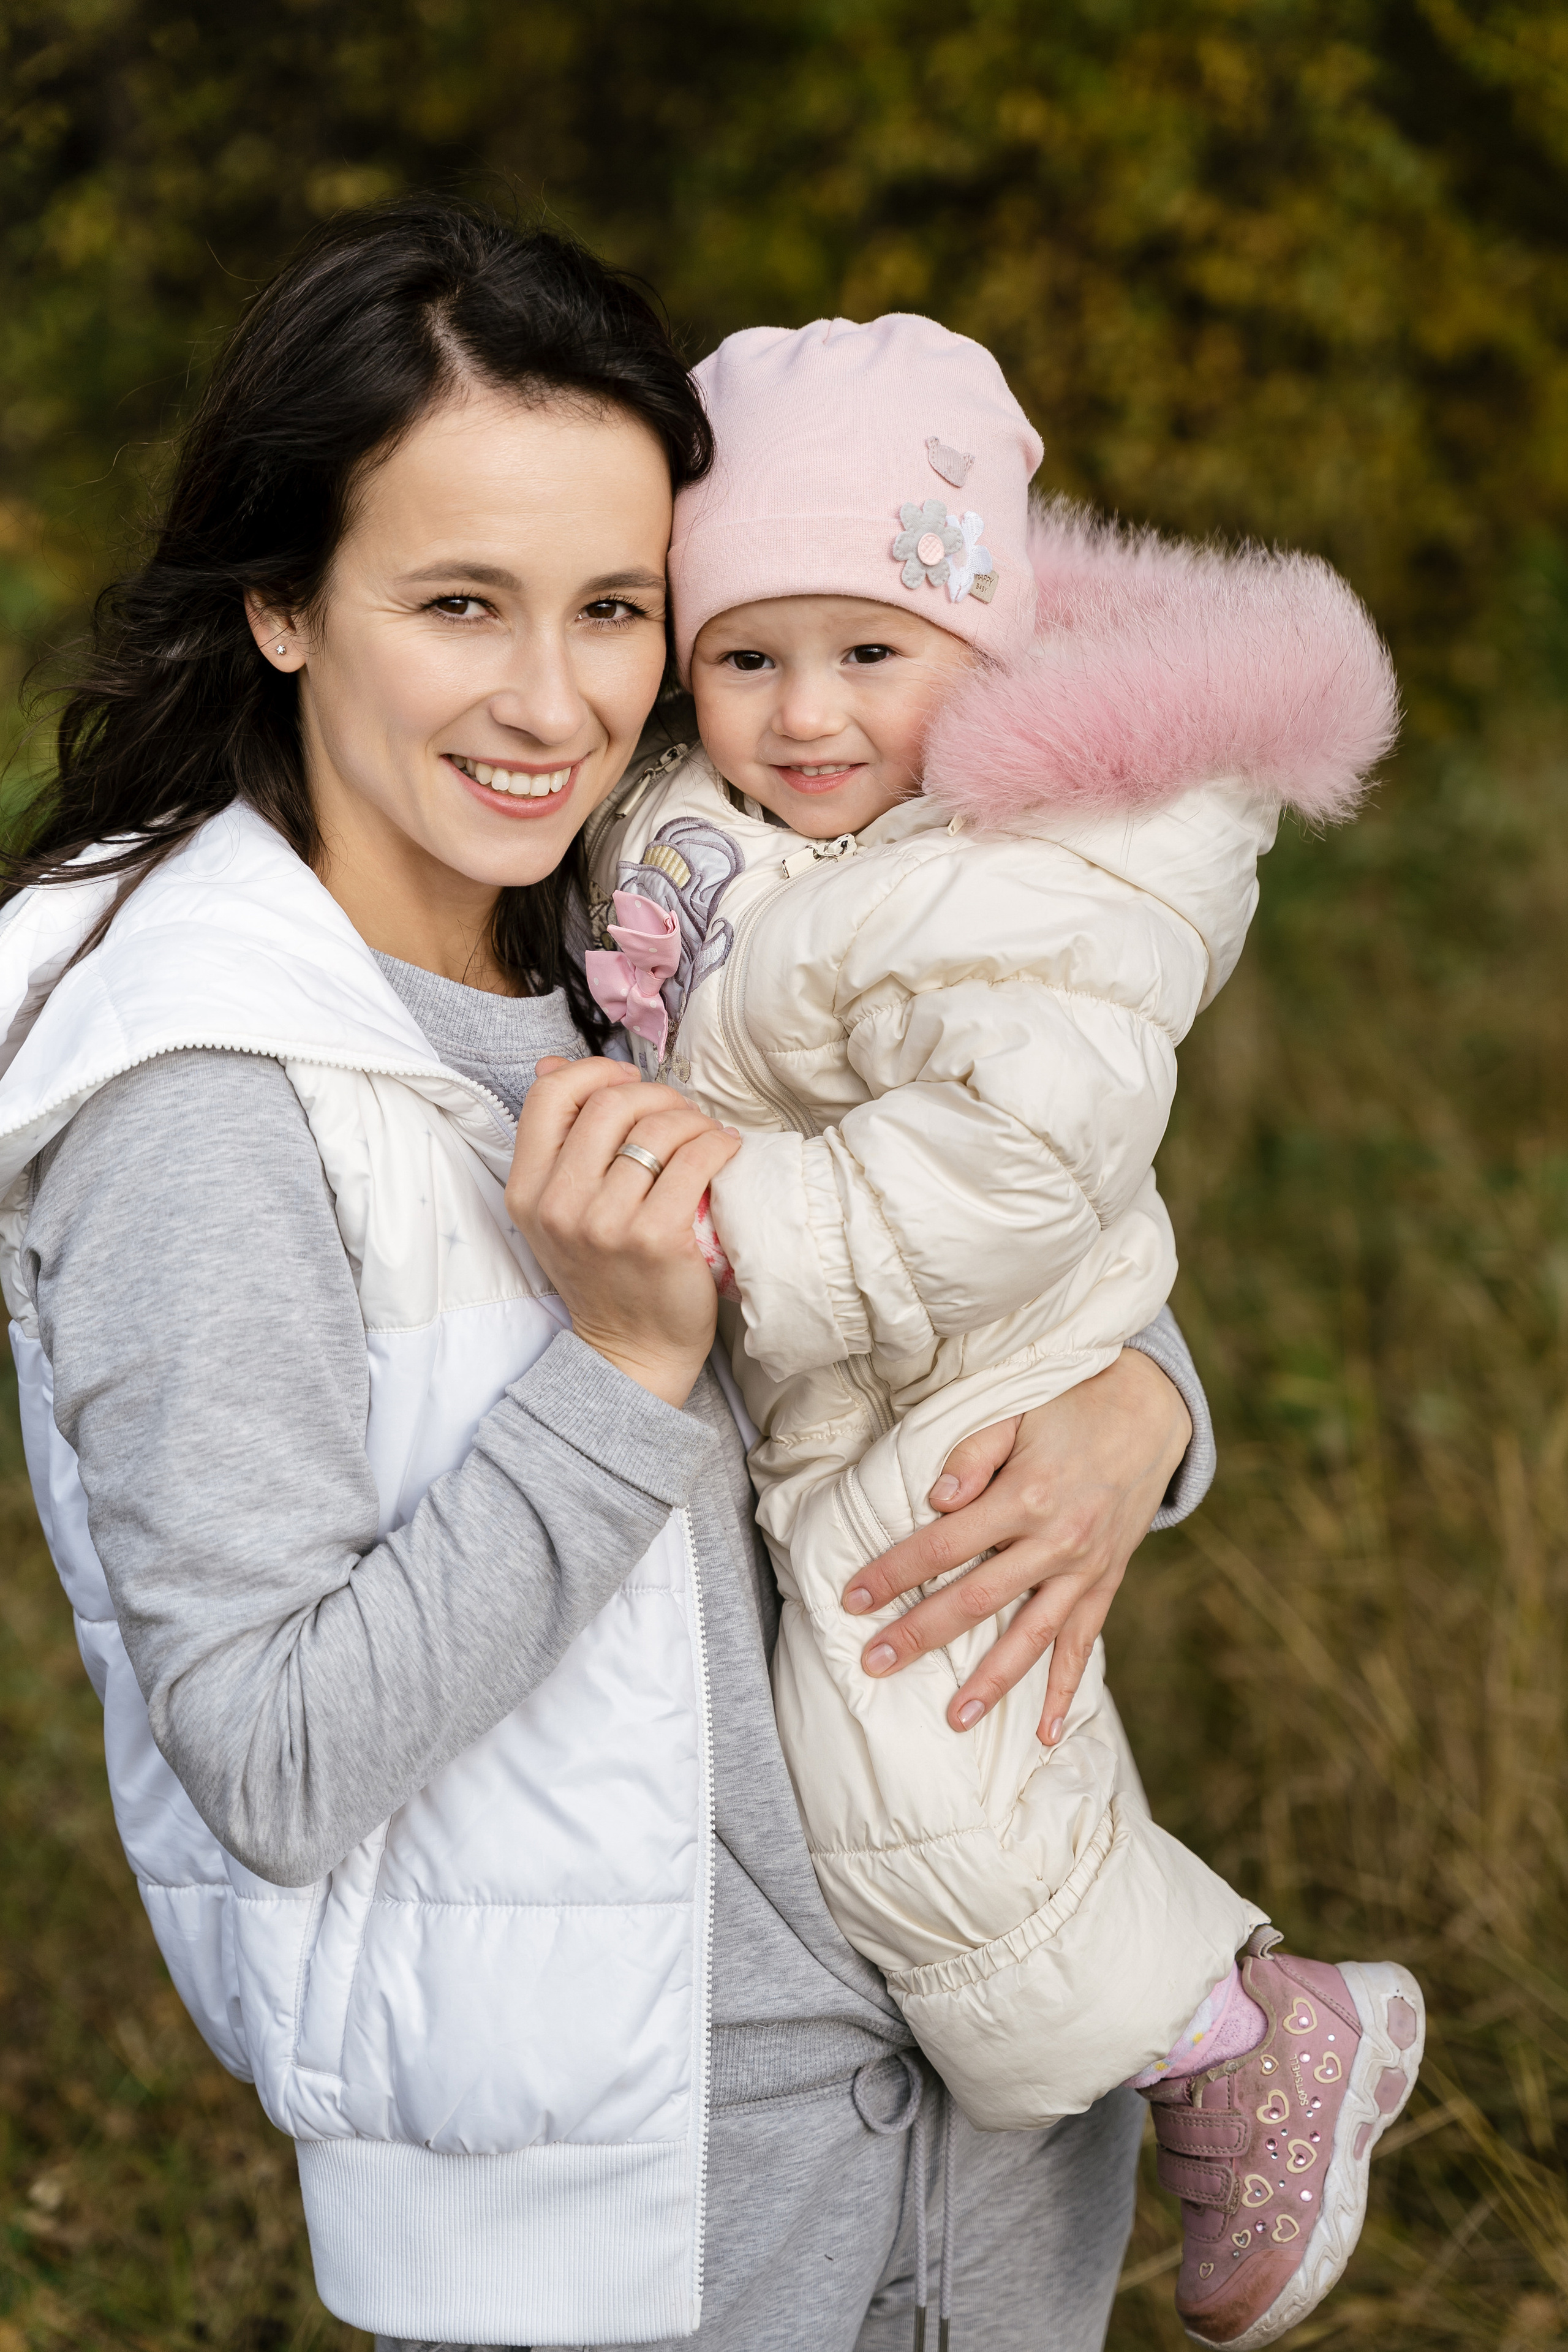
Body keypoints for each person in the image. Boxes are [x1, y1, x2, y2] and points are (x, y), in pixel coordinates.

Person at [0, 203, 1216, 2351]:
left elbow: (977, 1200)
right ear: (283, 602)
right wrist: (616, 1373)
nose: (553, 701)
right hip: (671, 2209)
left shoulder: (668, 918)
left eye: (617, 610)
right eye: (460, 603)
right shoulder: (198, 1096)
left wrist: (1144, 1400)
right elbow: (266, 1758)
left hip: (1000, 2127)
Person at [581, 315, 1425, 2349]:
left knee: (916, 1763)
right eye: (745, 656)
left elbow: (1019, 1151)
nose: (802, 714)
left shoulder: (1047, 864)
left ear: (985, 643)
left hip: (953, 1364)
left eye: (869, 654)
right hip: (874, 1359)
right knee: (940, 1753)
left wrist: (735, 1237)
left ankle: (1239, 2034)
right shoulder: (773, 821)